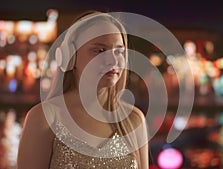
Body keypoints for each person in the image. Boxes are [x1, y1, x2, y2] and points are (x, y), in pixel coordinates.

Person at [17, 11, 149, 169]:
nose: (113, 60)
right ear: (70, 57)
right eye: (100, 51)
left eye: (119, 51)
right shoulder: (45, 118)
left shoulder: (133, 120)